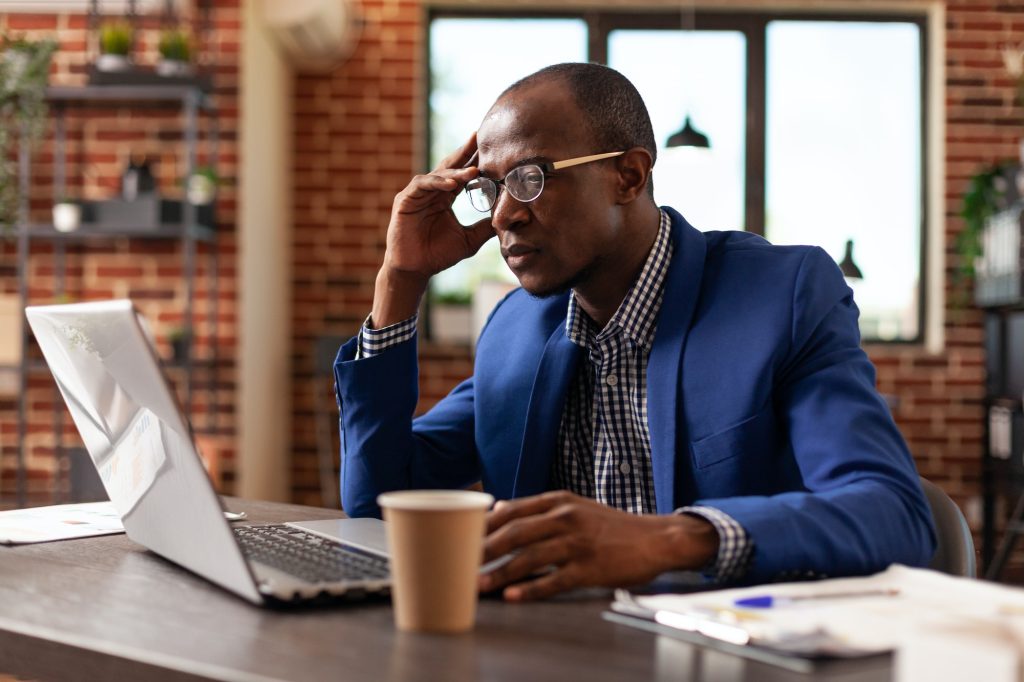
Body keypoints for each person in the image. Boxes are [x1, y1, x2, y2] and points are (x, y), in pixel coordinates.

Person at [333, 62, 936, 602]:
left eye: (530, 177)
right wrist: (401, 279)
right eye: (490, 189)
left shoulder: (782, 295)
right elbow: (379, 501)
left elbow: (895, 513)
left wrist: (672, 538)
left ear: (628, 176)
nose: (502, 214)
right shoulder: (514, 331)